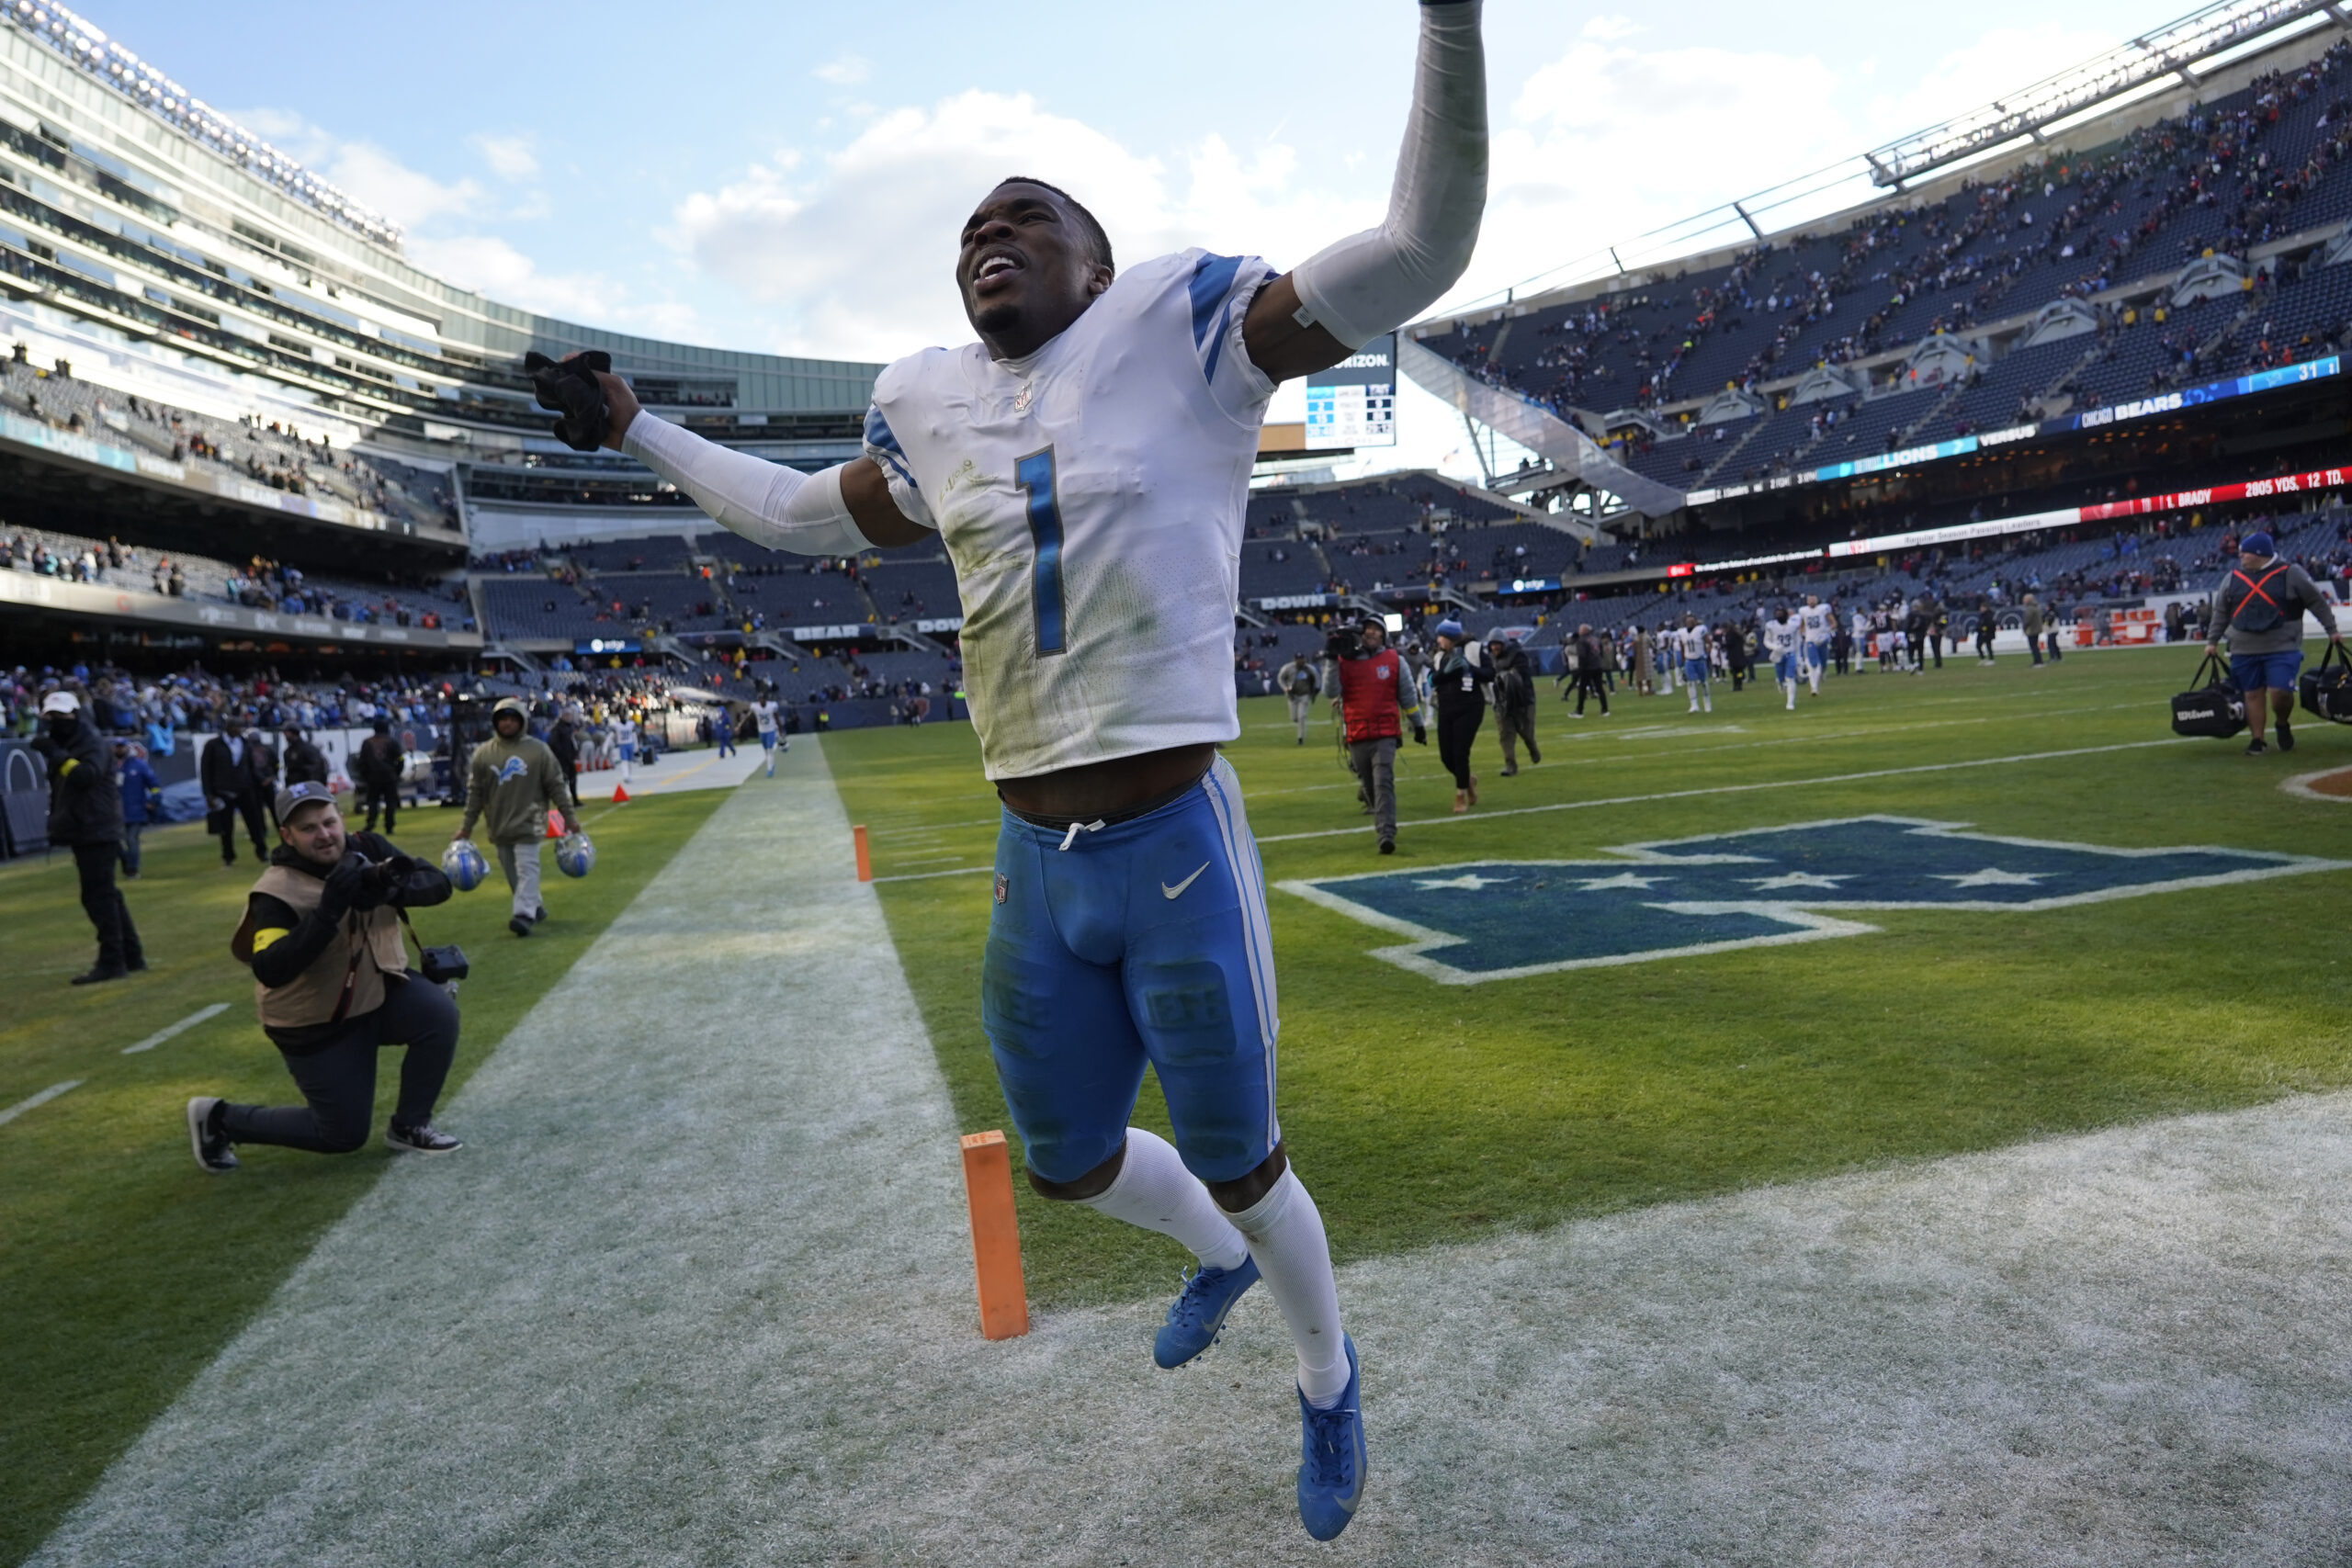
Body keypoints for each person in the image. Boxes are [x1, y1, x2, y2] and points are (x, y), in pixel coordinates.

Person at [558, 2, 1486, 1532]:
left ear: (1097, 264)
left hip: (1175, 833)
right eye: (972, 230)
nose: (989, 234)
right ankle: (1201, 1261)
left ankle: (1326, 1375)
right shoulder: (932, 404)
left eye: (1027, 217)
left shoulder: (1189, 330)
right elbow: (796, 515)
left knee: (1248, 1161)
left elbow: (1421, 245)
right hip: (1029, 859)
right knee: (1061, 1166)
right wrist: (634, 423)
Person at [187, 782, 462, 1173]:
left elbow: (437, 883)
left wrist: (386, 891)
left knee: (438, 1015)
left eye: (328, 822)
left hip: (375, 992)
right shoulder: (275, 891)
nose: (324, 835)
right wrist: (327, 912)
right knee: (341, 1135)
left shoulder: (367, 847)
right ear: (287, 835)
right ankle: (220, 1119)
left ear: (341, 819)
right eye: (308, 828)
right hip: (316, 1022)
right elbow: (270, 968)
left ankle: (410, 1124)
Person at [35, 691, 144, 984]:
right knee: (107, 894)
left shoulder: (90, 742)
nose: (56, 723)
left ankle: (113, 960)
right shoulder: (74, 741)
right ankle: (131, 955)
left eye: (61, 717)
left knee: (98, 896)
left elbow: (85, 776)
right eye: (51, 718)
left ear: (75, 715)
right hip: (88, 827)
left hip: (96, 827)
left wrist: (56, 755)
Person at [2206, 528, 2344, 756]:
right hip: (2243, 647)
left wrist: (2332, 630)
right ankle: (2257, 740)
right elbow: (2221, 611)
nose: (2240, 557)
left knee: (2280, 692)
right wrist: (2212, 641)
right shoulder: (2232, 579)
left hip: (2282, 645)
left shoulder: (2292, 574)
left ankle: (2282, 722)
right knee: (2252, 693)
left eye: (2244, 553)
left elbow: (2316, 602)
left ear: (2259, 554)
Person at [455, 696, 581, 936]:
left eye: (512, 719)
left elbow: (556, 786)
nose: (507, 724)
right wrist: (466, 827)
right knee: (512, 873)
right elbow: (475, 794)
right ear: (495, 722)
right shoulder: (483, 754)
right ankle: (536, 905)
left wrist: (570, 818)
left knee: (527, 868)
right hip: (499, 825)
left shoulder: (538, 751)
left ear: (522, 721)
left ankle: (523, 914)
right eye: (503, 720)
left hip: (530, 822)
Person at [1329, 615, 1428, 855]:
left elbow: (1408, 697)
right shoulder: (1345, 661)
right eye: (1367, 630)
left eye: (1376, 630)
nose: (1371, 633)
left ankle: (1386, 833)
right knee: (1370, 785)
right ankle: (1382, 823)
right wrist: (1331, 660)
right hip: (1356, 733)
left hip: (1386, 733)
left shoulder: (1394, 660)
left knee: (1383, 781)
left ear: (1383, 635)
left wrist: (1419, 725)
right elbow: (1330, 691)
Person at [200, 710, 273, 866]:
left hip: (245, 789)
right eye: (236, 727)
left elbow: (251, 766)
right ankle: (228, 857)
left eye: (241, 727)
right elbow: (205, 770)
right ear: (228, 728)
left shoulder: (245, 743)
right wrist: (208, 794)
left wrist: (262, 779)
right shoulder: (213, 745)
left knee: (255, 823)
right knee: (226, 827)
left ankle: (262, 852)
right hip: (223, 790)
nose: (239, 730)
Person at [1429, 620, 1487, 811]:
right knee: (1446, 756)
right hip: (1446, 707)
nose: (1438, 640)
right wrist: (1444, 673)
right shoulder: (1439, 656)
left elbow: (1490, 673)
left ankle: (1460, 795)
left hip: (1470, 706)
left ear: (1451, 638)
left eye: (1441, 636)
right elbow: (1432, 679)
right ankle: (1467, 780)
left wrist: (1470, 669)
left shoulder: (1474, 649)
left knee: (1461, 752)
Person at [1485, 634, 1539, 773]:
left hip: (1522, 700)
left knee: (1526, 732)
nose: (1494, 647)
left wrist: (1501, 677)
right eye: (1492, 644)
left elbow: (1519, 675)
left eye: (1497, 644)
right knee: (1505, 734)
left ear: (1503, 643)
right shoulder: (1489, 658)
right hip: (1501, 702)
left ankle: (1532, 748)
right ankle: (1510, 765)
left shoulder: (1517, 655)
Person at [115, 738, 162, 879]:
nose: (119, 749)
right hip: (115, 811)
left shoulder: (139, 765)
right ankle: (126, 864)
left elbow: (154, 784)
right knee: (116, 843)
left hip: (135, 809)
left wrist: (154, 801)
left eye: (121, 747)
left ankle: (132, 869)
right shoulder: (111, 766)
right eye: (117, 747)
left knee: (131, 839)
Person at [355, 717, 406, 836]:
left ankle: (371, 823)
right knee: (390, 802)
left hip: (373, 778)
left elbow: (362, 762)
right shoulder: (392, 741)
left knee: (372, 801)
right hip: (389, 776)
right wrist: (397, 773)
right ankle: (389, 826)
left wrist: (365, 775)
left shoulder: (367, 742)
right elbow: (400, 759)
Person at [1567, 623, 1611, 716]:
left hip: (1587, 667)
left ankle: (1579, 711)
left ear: (1584, 631)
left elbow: (1582, 655)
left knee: (1582, 689)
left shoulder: (1582, 641)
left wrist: (1581, 668)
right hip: (1597, 666)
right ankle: (1605, 709)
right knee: (1600, 688)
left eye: (1580, 629)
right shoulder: (1596, 639)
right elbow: (1601, 653)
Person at [1277, 650, 1319, 745]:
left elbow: (1316, 679)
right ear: (1294, 660)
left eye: (1301, 659)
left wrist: (1315, 691)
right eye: (1298, 659)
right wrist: (1285, 688)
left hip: (1304, 695)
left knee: (1302, 717)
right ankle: (1297, 723)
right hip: (1292, 696)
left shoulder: (1309, 669)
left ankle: (1300, 738)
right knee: (1294, 718)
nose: (1300, 661)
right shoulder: (1288, 668)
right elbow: (1280, 678)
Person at [1763, 605, 1801, 710]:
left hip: (1790, 653)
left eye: (1781, 613)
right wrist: (1775, 647)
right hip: (1778, 655)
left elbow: (1797, 642)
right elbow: (1766, 641)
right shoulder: (1771, 626)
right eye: (1777, 614)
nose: (1779, 616)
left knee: (1790, 678)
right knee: (1781, 679)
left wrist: (1799, 658)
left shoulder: (1793, 625)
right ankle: (1779, 682)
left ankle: (1790, 703)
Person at [1677, 613, 1713, 714]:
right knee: (1690, 682)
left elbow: (1709, 643)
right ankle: (1694, 705)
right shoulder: (1682, 632)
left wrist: (1707, 654)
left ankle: (1707, 703)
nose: (1690, 623)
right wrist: (1683, 660)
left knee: (1703, 683)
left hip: (1700, 659)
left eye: (1692, 621)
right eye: (1688, 621)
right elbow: (1682, 648)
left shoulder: (1701, 630)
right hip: (1689, 660)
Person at [1798, 593, 1832, 694]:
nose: (1812, 602)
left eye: (1813, 600)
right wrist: (1802, 635)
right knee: (1814, 665)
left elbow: (1833, 623)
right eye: (1810, 600)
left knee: (1823, 663)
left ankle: (1823, 672)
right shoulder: (1803, 611)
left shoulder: (1823, 609)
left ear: (1817, 600)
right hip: (1810, 640)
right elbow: (1801, 626)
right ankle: (1814, 688)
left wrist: (1827, 632)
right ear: (1807, 601)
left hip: (1822, 640)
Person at [280, 723, 329, 787]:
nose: (284, 735)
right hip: (294, 787)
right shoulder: (287, 752)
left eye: (286, 732)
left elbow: (318, 768)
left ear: (293, 732)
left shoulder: (308, 749)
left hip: (309, 786)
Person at [750, 695, 786, 775]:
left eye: (762, 698)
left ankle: (770, 769)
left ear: (765, 699)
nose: (761, 700)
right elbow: (749, 715)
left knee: (770, 750)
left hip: (770, 730)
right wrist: (739, 725)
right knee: (766, 751)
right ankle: (771, 764)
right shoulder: (755, 706)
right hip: (762, 731)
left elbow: (777, 718)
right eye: (759, 699)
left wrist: (781, 730)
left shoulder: (772, 706)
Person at [2021, 593, 2045, 666]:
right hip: (2036, 629)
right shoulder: (2036, 607)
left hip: (2032, 629)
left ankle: (2038, 662)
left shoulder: (2030, 609)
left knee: (2033, 646)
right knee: (2035, 646)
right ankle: (2037, 661)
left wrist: (2024, 627)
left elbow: (2027, 620)